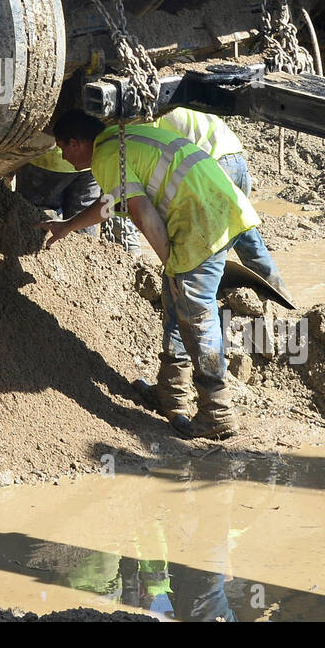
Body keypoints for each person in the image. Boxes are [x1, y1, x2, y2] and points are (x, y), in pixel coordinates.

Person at [41, 109, 261, 439]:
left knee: (195, 313)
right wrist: (69, 226)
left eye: (62, 147)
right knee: (177, 299)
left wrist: (170, 262)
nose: (61, 156)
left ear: (76, 143)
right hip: (215, 205)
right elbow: (112, 203)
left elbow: (142, 215)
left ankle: (217, 412)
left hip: (200, 219)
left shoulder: (107, 156)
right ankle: (171, 394)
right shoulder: (119, 142)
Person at [161, 106, 286, 294]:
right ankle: (276, 292)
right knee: (239, 227)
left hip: (212, 167)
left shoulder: (151, 117)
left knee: (198, 251)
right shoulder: (184, 101)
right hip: (237, 161)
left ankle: (187, 307)